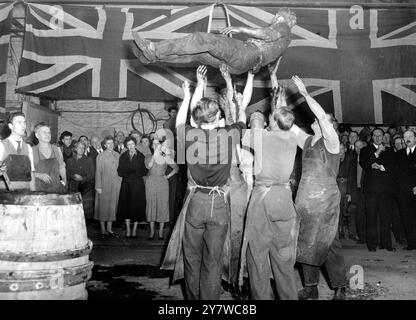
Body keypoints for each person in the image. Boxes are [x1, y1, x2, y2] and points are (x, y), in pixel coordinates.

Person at [161, 70, 247, 300]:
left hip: (196, 202)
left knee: (192, 256)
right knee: (214, 258)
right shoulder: (228, 134)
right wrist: (238, 104)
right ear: (218, 115)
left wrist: (188, 94)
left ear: (197, 119)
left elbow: (180, 120)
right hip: (218, 203)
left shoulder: (190, 135)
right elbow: (242, 121)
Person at [240, 67, 299, 300]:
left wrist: (256, 118)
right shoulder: (292, 137)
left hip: (263, 201)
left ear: (270, 122)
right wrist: (274, 83)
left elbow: (240, 121)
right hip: (284, 201)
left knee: (257, 256)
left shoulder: (260, 137)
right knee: (283, 256)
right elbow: (281, 113)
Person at [290, 76, 347, 300]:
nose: (316, 120)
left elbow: (322, 116)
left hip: (326, 202)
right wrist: (277, 96)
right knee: (306, 243)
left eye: (323, 120)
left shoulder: (332, 142)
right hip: (305, 201)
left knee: (329, 243)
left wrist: (305, 94)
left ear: (330, 126)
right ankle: (311, 287)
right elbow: (289, 126)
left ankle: (340, 287)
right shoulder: (306, 140)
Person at [132, 7, 296, 74]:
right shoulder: (284, 44)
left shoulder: (283, 28)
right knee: (198, 53)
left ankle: (155, 49)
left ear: (285, 18)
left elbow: (268, 34)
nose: (275, 19)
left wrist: (241, 29)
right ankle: (150, 57)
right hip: (240, 67)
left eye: (278, 16)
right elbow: (266, 63)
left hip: (247, 54)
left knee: (202, 40)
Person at [359, 128, 396, 252]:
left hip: (386, 190)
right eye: (375, 135)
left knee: (386, 218)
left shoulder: (390, 150)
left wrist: (381, 166)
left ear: (383, 137)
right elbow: (364, 163)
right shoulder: (365, 150)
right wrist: (376, 153)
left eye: (380, 135)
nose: (377, 137)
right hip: (371, 190)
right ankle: (372, 244)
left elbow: (393, 166)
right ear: (371, 137)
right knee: (371, 217)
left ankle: (386, 244)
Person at [145, 136, 179, 240]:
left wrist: (168, 176)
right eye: (154, 144)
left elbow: (176, 168)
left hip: (162, 183)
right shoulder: (148, 157)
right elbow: (149, 166)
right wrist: (155, 155)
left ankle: (160, 233)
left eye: (157, 144)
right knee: (151, 205)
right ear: (151, 146)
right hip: (151, 182)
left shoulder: (165, 156)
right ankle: (151, 232)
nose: (155, 145)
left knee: (162, 206)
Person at [117, 136, 148, 238]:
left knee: (136, 207)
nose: (130, 146)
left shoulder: (141, 156)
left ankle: (134, 230)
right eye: (128, 145)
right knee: (126, 207)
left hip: (137, 185)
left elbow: (145, 171)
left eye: (132, 144)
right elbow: (119, 172)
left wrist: (135, 173)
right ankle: (128, 230)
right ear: (126, 146)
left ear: (135, 144)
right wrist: (128, 173)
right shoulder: (123, 156)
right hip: (126, 184)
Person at [94, 136, 122, 239]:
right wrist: (98, 186)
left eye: (112, 143)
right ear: (104, 145)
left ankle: (109, 229)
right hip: (104, 184)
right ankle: (103, 230)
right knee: (103, 207)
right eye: (108, 143)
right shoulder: (100, 156)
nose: (110, 145)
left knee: (112, 207)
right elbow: (98, 172)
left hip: (115, 184)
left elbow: (120, 170)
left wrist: (120, 182)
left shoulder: (117, 155)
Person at [0, 112, 36, 191]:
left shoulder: (28, 147)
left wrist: (33, 192)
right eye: (19, 122)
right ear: (10, 126)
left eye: (24, 122)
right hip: (4, 195)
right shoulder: (1, 145)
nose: (23, 125)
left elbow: (31, 173)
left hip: (25, 193)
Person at [395, 130, 416, 250]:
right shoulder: (399, 154)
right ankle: (412, 243)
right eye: (405, 137)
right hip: (403, 193)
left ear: (415, 138)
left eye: (410, 136)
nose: (407, 139)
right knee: (407, 218)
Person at [32, 122, 66, 192]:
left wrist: (65, 182)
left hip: (56, 189)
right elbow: (26, 172)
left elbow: (62, 167)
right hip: (38, 190)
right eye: (44, 132)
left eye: (49, 132)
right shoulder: (32, 151)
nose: (48, 135)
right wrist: (38, 175)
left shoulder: (57, 149)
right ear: (37, 135)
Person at [67, 141, 95, 220]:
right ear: (75, 149)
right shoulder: (70, 161)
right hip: (73, 187)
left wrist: (82, 178)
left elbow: (92, 174)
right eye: (79, 147)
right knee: (74, 208)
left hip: (86, 188)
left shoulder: (89, 160)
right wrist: (73, 176)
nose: (81, 149)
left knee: (86, 210)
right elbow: (67, 174)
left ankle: (86, 226)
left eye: (83, 148)